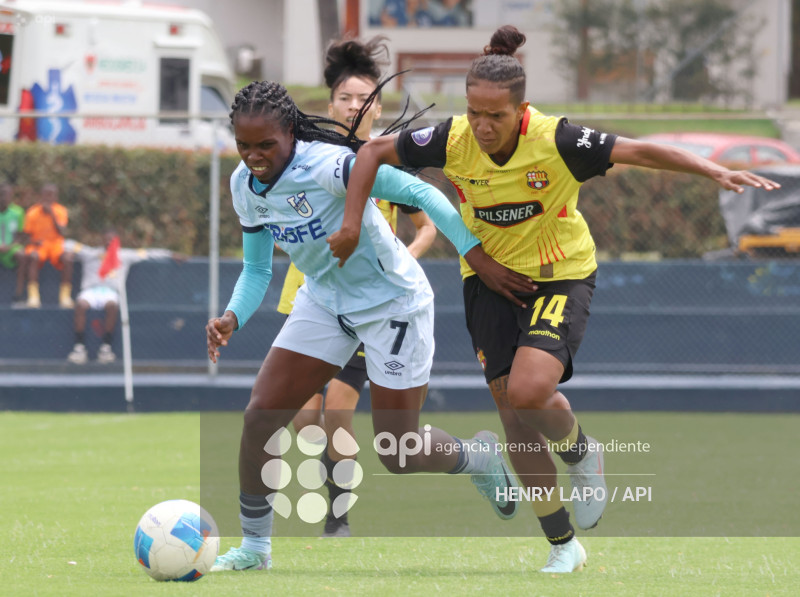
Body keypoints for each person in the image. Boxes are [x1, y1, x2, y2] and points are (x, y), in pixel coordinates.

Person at [329, 25, 781, 573]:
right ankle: (563, 544)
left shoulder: (557, 140)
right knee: (513, 416)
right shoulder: (452, 139)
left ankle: (581, 452)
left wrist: (710, 168)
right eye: (474, 112)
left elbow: (635, 149)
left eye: (495, 116)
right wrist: (352, 223)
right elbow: (374, 151)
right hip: (489, 285)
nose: (482, 125)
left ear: (521, 111)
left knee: (528, 390)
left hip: (559, 276)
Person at [206, 80, 532, 572]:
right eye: (244, 145)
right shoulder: (243, 186)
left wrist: (475, 254)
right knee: (260, 418)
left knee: (398, 451)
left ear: (291, 133)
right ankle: (254, 549)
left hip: (392, 304)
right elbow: (256, 270)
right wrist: (232, 315)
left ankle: (478, 458)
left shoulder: (328, 165)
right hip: (324, 300)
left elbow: (420, 190)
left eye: (265, 145)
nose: (254, 156)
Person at [279, 35, 437, 538]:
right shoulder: (304, 157)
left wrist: (403, 263)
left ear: (378, 108)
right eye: (345, 98)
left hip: (373, 306)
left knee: (338, 412)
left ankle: (338, 518)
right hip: (314, 299)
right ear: (330, 105)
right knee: (304, 419)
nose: (353, 107)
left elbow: (428, 224)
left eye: (364, 100)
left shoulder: (388, 159)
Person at [65, 230, 177, 365]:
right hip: (90, 291)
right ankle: (79, 347)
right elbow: (67, 244)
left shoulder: (124, 255)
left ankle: (106, 348)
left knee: (112, 305)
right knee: (81, 304)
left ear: (117, 241)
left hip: (110, 291)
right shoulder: (91, 253)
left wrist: (171, 254)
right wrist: (69, 251)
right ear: (101, 240)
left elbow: (149, 254)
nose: (108, 242)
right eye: (106, 239)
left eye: (111, 240)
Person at [22, 183, 74, 308]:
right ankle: (33, 297)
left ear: (56, 197)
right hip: (38, 246)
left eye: (52, 195)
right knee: (33, 257)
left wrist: (52, 214)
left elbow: (62, 231)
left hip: (56, 245)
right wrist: (34, 242)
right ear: (41, 196)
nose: (49, 198)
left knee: (68, 258)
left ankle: (65, 296)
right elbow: (25, 235)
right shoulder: (32, 212)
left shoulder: (60, 210)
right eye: (46, 195)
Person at [0, 182, 27, 303]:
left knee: (22, 255)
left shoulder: (18, 212)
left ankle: (19, 294)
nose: (4, 197)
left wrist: (9, 246)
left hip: (10, 248)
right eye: (2, 194)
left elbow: (19, 236)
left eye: (7, 194)